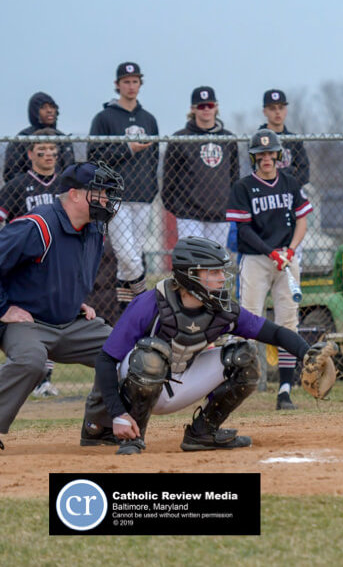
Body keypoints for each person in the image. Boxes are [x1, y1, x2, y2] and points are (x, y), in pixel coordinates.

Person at [79, 237, 321, 454]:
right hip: (136, 384)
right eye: (213, 272)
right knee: (150, 358)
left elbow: (275, 332)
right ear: (190, 275)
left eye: (221, 271)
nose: (222, 278)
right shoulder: (150, 303)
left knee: (244, 357)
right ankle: (133, 437)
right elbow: (106, 359)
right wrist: (118, 414)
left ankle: (203, 433)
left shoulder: (223, 309)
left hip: (181, 381)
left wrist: (306, 353)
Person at [0, 162, 123, 450]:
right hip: (28, 323)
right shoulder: (38, 226)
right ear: (75, 194)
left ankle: (98, 426)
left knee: (124, 351)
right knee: (31, 361)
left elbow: (58, 272)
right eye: (101, 192)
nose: (107, 199)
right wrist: (3, 308)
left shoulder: (94, 229)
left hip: (69, 322)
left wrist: (72, 299)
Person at [226, 129, 312, 410]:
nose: (266, 158)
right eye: (260, 154)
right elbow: (244, 230)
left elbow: (302, 220)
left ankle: (285, 390)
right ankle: (238, 385)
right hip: (256, 260)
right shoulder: (243, 187)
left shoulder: (289, 183)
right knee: (248, 320)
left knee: (288, 321)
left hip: (286, 259)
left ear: (277, 155)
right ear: (254, 157)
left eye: (270, 153)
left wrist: (291, 250)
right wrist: (270, 252)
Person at [88, 62, 160, 311]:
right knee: (127, 254)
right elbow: (94, 156)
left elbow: (154, 158)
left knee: (131, 257)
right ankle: (146, 299)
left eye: (135, 81)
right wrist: (127, 149)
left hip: (143, 195)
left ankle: (126, 310)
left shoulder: (148, 119)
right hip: (115, 196)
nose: (131, 86)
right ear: (117, 85)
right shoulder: (104, 118)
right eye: (126, 81)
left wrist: (152, 188)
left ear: (140, 84)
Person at [0, 128, 66, 397]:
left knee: (50, 319)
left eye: (52, 150)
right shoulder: (17, 185)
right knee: (27, 321)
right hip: (24, 263)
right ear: (30, 154)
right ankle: (28, 374)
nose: (48, 155)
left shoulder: (66, 186)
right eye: (42, 151)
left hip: (57, 262)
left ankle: (43, 379)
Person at [162, 86, 239, 246]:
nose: (206, 109)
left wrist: (229, 205)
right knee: (194, 258)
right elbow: (169, 180)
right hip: (189, 215)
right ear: (193, 109)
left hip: (219, 214)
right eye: (201, 106)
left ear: (216, 107)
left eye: (210, 105)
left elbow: (234, 176)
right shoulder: (180, 139)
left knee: (215, 259)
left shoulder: (228, 139)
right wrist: (178, 209)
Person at [3, 92, 75, 183]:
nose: (49, 111)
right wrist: (31, 186)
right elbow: (12, 172)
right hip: (29, 188)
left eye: (52, 107)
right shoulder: (23, 139)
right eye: (43, 107)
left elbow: (70, 171)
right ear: (34, 111)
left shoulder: (62, 139)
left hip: (59, 188)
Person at [260, 89, 311, 187]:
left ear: (286, 110)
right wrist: (291, 170)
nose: (277, 112)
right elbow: (261, 171)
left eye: (281, 108)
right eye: (272, 108)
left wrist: (290, 182)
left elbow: (304, 170)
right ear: (265, 112)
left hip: (291, 190)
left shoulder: (294, 140)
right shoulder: (258, 139)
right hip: (267, 190)